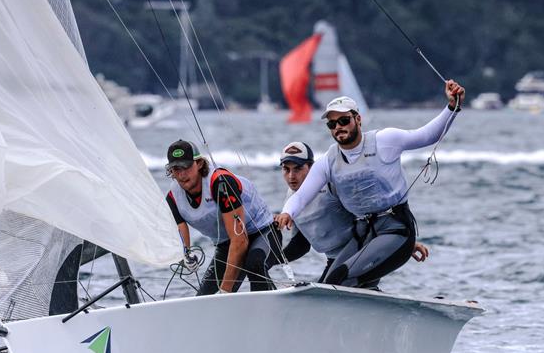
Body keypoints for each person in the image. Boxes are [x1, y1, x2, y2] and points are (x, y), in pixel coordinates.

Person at [276, 79, 464, 288]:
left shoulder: (385, 140)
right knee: (331, 283)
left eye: (344, 120)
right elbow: (301, 195)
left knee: (341, 280)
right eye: (332, 124)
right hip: (363, 233)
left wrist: (451, 106)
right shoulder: (328, 160)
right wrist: (287, 213)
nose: (338, 127)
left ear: (358, 119)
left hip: (396, 229)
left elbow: (428, 135)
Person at [274, 141, 429, 283]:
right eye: (286, 170)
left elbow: (369, 214)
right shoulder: (291, 201)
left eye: (298, 169)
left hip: (365, 251)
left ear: (312, 167)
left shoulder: (331, 187)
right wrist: (269, 260)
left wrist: (402, 244)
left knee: (335, 287)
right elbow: (300, 245)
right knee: (326, 291)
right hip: (336, 260)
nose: (291, 176)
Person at [165, 139, 281, 295]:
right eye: (176, 169)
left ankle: (268, 312)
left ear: (199, 164)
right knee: (205, 299)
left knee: (254, 264)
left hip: (262, 232)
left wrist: (225, 291)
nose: (182, 174)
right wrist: (185, 254)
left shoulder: (221, 183)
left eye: (186, 166)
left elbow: (240, 240)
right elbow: (181, 229)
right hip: (226, 244)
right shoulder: (173, 197)